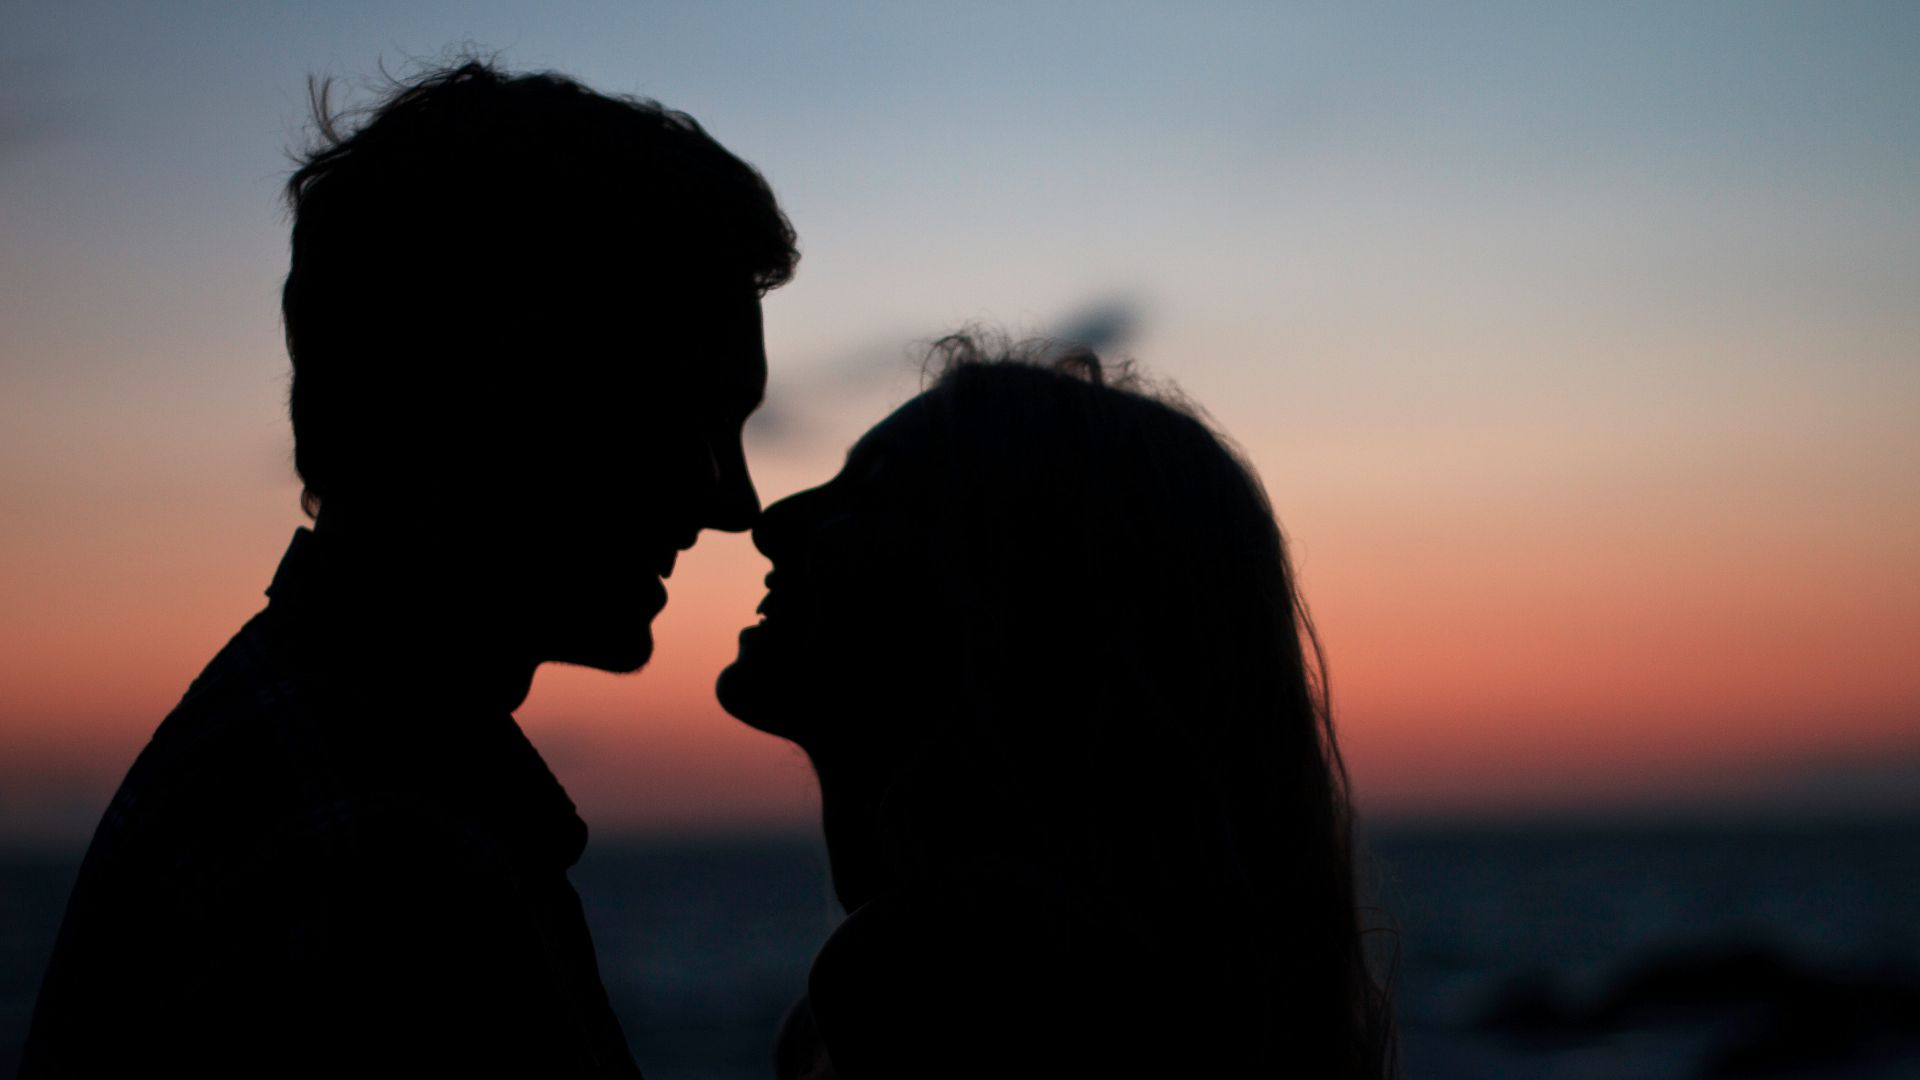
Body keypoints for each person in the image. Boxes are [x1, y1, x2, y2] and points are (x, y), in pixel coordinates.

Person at [23, 60, 796, 1078]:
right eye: (690, 419)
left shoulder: (318, 770)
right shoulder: (377, 867)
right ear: (504, 390)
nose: (733, 506)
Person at [718, 336, 1397, 1078]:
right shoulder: (1139, 979)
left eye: (874, 493)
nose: (774, 522)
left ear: (1025, 599)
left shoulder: (944, 982)